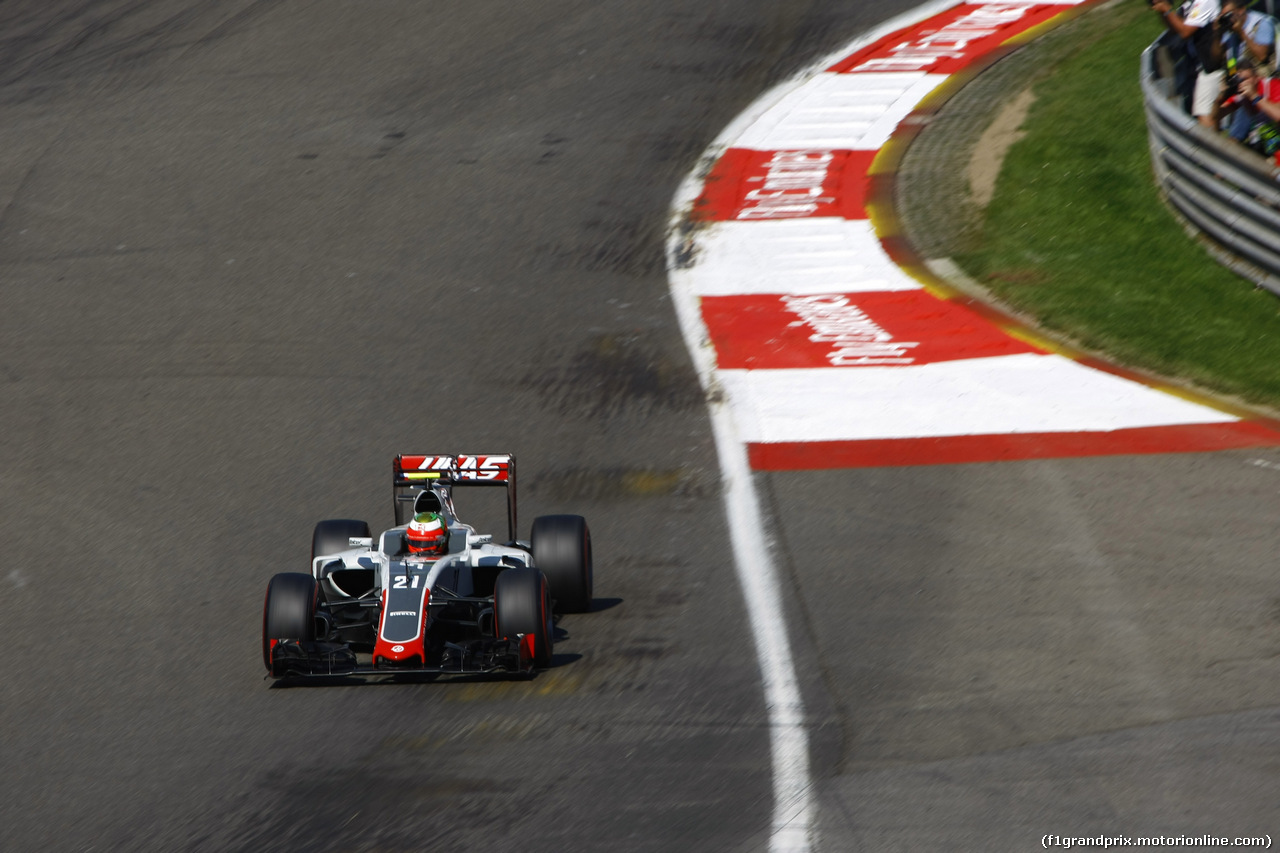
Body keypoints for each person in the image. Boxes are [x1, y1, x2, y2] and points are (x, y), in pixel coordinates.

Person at [1153, 0, 1225, 128]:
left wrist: (1167, 9)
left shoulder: (1205, 2)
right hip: (1201, 66)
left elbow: (1185, 32)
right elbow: (1174, 28)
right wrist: (1161, 10)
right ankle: (1214, 144)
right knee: (1211, 114)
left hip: (1212, 67)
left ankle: (1210, 147)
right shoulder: (1189, 4)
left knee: (1204, 115)